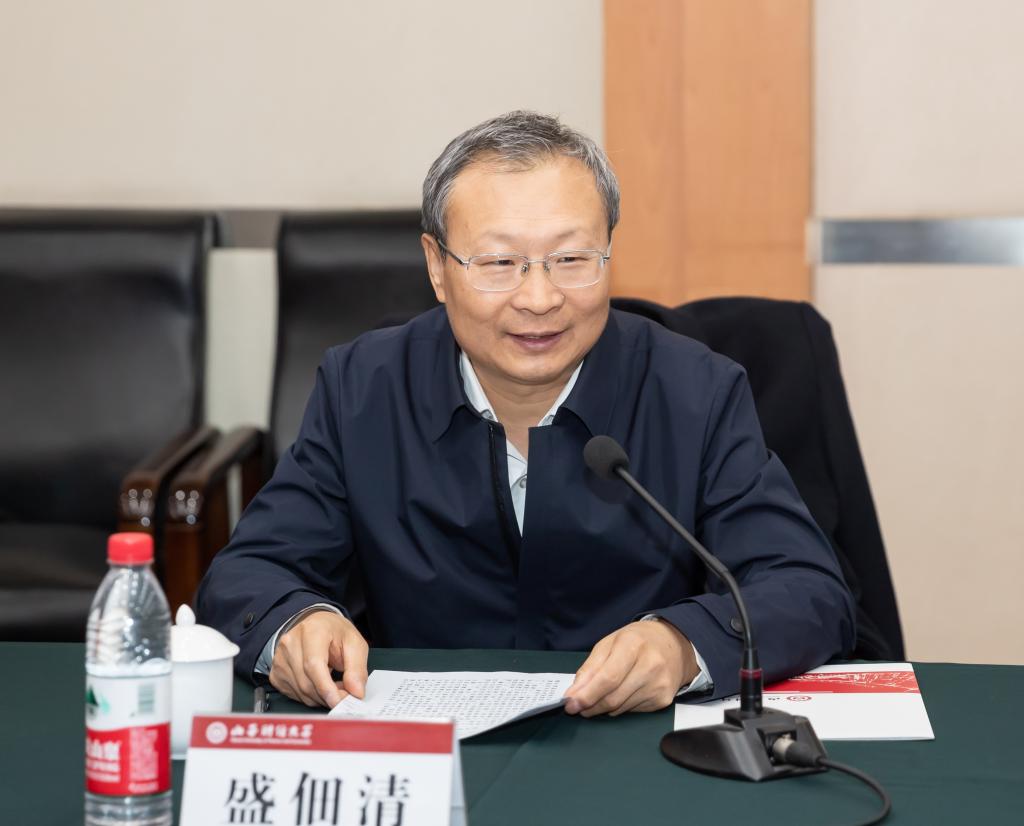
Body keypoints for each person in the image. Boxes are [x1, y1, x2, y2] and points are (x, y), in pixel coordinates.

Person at [196, 111, 855, 718]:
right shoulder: (364, 389)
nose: (539, 298)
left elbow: (807, 587)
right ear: (437, 267)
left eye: (571, 259)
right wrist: (295, 622)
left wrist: (685, 644)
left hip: (633, 745)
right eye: (500, 263)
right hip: (430, 749)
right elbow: (245, 575)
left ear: (608, 254)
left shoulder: (695, 392)